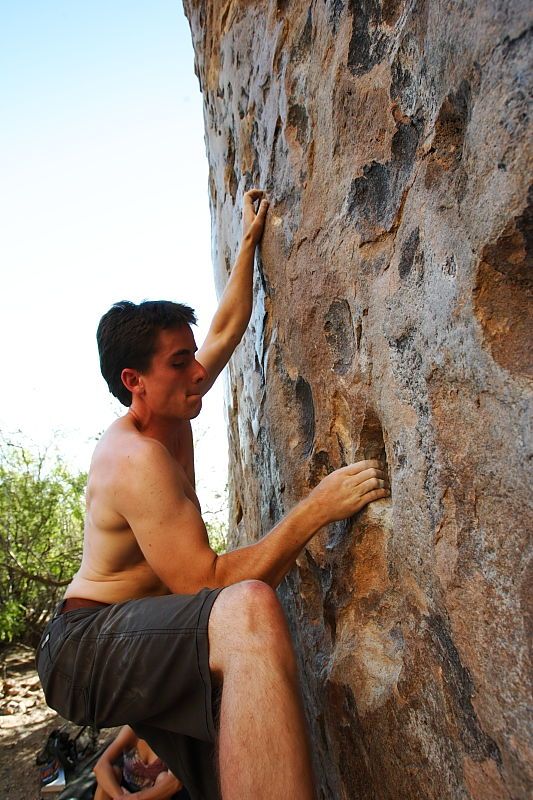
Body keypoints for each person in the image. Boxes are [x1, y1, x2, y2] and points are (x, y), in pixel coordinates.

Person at [36, 189, 390, 800]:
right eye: (180, 362)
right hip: (82, 647)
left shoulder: (176, 402)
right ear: (134, 381)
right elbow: (206, 586)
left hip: (131, 638)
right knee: (246, 609)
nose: (199, 371)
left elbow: (227, 325)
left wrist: (249, 241)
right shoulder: (134, 459)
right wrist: (316, 509)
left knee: (220, 765)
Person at [93, 726, 187, 799]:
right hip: (125, 791)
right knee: (112, 772)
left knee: (163, 777)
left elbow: (175, 782)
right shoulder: (132, 730)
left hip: (155, 795)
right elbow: (100, 766)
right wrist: (120, 797)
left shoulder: (172, 736)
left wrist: (136, 798)